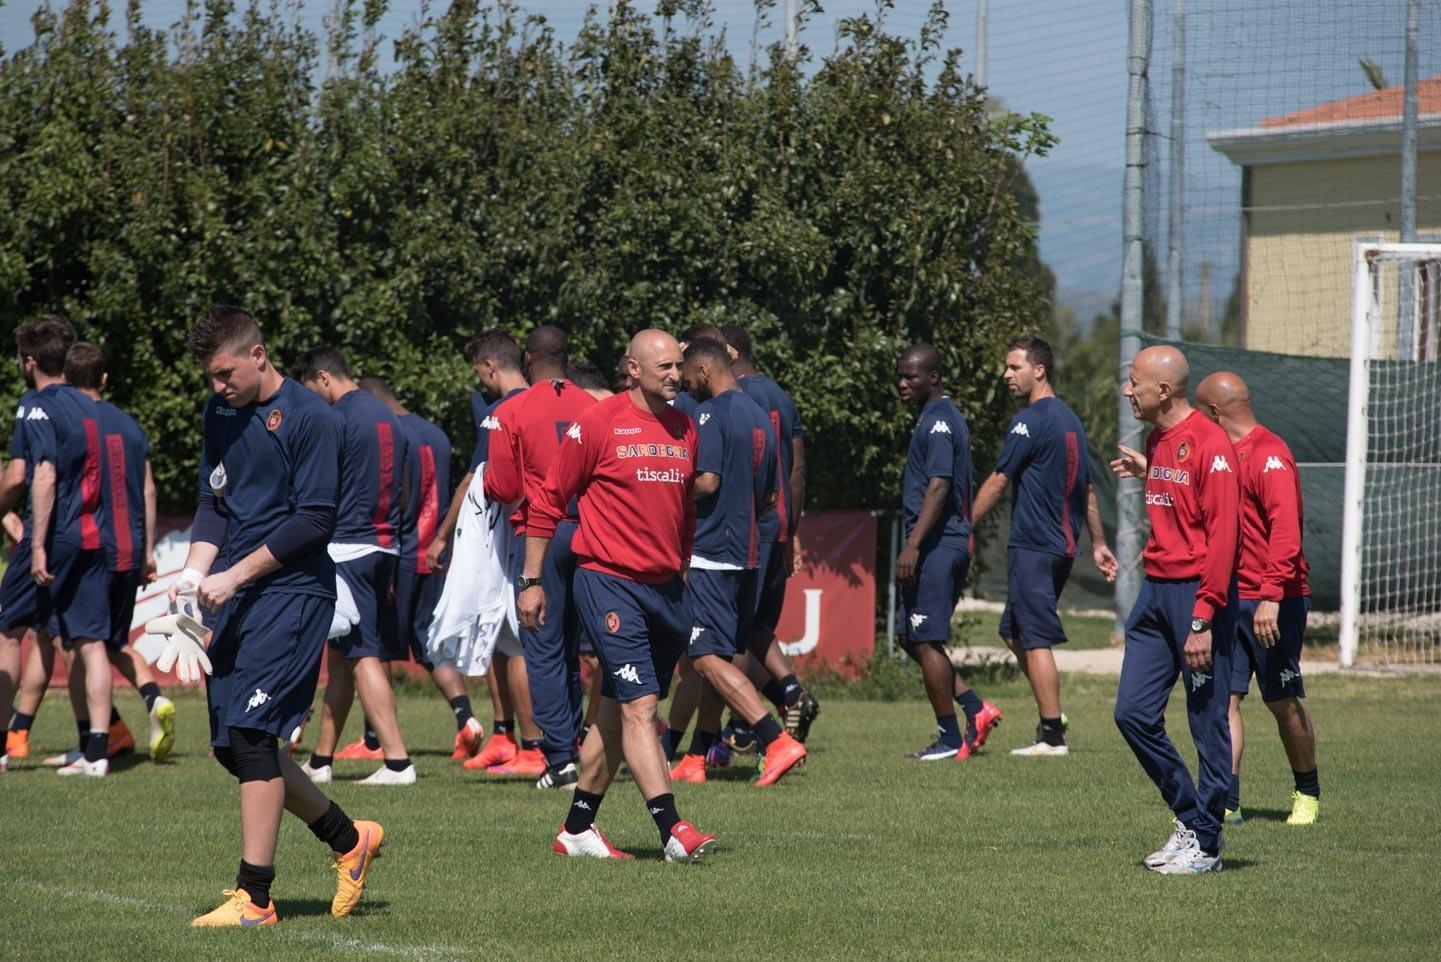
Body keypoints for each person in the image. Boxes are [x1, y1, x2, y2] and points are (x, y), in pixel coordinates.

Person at [156, 305, 381, 924]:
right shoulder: (219, 411)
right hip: (231, 591)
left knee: (255, 737)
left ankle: (255, 898)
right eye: (209, 377)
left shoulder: (312, 419)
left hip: (293, 593)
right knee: (234, 747)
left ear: (258, 354)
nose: (217, 387)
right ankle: (349, 840)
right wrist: (194, 577)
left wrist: (231, 575)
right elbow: (214, 502)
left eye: (225, 373)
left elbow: (314, 520)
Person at [525, 330, 716, 862]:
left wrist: (680, 566)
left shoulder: (684, 427)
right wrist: (532, 580)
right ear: (633, 369)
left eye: (679, 366)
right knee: (640, 707)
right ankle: (673, 829)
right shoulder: (598, 423)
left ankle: (576, 829)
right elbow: (547, 499)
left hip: (665, 589)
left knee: (612, 714)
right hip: (608, 581)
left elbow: (685, 508)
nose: (676, 375)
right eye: (665, 367)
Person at [1110, 345, 1238, 874]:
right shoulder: (1160, 440)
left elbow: (1223, 539)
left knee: (1207, 721)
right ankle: (1190, 816)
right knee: (1132, 713)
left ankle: (1206, 844)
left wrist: (1204, 617)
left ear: (1164, 390)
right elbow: (1178, 498)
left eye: (1134, 381)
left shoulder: (1213, 446)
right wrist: (1150, 469)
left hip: (1195, 597)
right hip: (1155, 594)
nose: (1126, 390)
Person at [668, 338, 807, 787]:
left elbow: (706, 481)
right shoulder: (757, 414)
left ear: (705, 372)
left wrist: (665, 492)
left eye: (688, 378)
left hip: (711, 551)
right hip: (748, 551)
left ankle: (774, 738)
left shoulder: (711, 413)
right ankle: (695, 757)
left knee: (704, 657)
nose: (685, 386)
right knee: (721, 655)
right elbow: (771, 495)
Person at [970, 336, 1117, 756]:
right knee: (1013, 630)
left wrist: (965, 526)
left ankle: (1052, 735)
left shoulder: (1029, 421)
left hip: (1035, 545)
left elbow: (998, 481)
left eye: (1014, 367)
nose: (1006, 375)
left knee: (1033, 637)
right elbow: (1087, 489)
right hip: (1061, 546)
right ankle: (1051, 709)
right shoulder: (1070, 419)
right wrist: (1100, 543)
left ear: (1039, 370)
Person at [38, 344, 175, 763]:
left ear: (66, 377)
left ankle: (95, 744)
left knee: (85, 642)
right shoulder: (130, 425)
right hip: (129, 548)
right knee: (112, 641)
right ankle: (151, 698)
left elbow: (47, 477)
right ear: (103, 379)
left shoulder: (73, 420)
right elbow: (149, 489)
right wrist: (147, 550)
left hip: (87, 545)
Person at [1194, 371, 1320, 827]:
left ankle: (1307, 791)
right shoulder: (1225, 453)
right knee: (1225, 700)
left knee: (1281, 701)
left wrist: (1270, 595)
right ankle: (1227, 799)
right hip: (1232, 598)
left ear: (1213, 412)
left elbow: (1286, 532)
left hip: (1275, 600)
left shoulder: (1270, 454)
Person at [293, 347, 416, 787]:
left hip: (348, 547)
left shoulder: (338, 417)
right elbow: (406, 491)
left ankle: (398, 762)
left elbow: (317, 486)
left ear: (323, 378)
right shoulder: (389, 417)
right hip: (385, 546)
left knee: (363, 654)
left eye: (310, 391)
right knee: (343, 656)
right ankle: (322, 760)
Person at [483, 326, 597, 789]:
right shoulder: (596, 406)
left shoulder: (513, 408)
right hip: (590, 532)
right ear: (568, 361)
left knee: (544, 647)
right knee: (572, 649)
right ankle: (573, 745)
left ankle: (557, 757)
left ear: (528, 358)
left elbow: (504, 487)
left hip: (540, 536)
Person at [0, 316, 114, 777]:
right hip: (92, 535)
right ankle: (97, 751)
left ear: (29, 361)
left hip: (52, 535)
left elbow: (31, 475)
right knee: (88, 641)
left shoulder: (34, 405)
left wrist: (37, 544)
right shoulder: (90, 406)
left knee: (8, 630)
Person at [431, 330, 545, 774]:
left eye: (479, 372)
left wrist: (443, 536)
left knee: (517, 640)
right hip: (539, 533)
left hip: (516, 538)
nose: (480, 380)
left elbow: (480, 480)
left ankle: (533, 747)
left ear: (491, 367)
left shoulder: (502, 412)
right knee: (499, 633)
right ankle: (504, 735)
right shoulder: (545, 402)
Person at [358, 375, 486, 762]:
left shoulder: (388, 434)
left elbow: (395, 497)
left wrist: (389, 563)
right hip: (435, 551)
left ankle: (374, 740)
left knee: (373, 645)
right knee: (430, 643)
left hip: (402, 554)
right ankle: (466, 717)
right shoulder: (437, 433)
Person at [893, 345, 1001, 761]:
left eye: (912, 377)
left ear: (934, 377)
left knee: (928, 637)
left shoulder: (939, 422)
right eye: (900, 376)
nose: (903, 383)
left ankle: (949, 738)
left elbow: (939, 486)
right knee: (910, 636)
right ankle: (976, 709)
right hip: (933, 544)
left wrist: (913, 545)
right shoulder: (932, 417)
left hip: (938, 544)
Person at [721, 323, 820, 743]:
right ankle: (790, 695)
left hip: (746, 528)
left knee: (733, 633)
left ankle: (746, 724)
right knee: (757, 628)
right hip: (777, 525)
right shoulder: (782, 396)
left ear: (727, 351)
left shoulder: (732, 399)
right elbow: (797, 470)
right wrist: (792, 529)